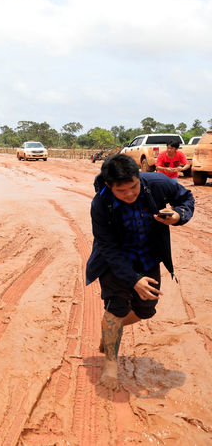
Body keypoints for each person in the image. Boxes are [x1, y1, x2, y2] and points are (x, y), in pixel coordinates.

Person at [86, 154, 194, 390]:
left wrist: (178, 215)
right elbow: (107, 247)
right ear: (109, 186)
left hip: (147, 258)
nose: (129, 194)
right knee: (116, 308)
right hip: (114, 261)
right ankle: (111, 367)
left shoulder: (156, 182)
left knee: (146, 311)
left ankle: (111, 329)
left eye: (133, 187)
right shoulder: (100, 204)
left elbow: (186, 197)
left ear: (139, 177)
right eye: (121, 191)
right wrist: (133, 279)